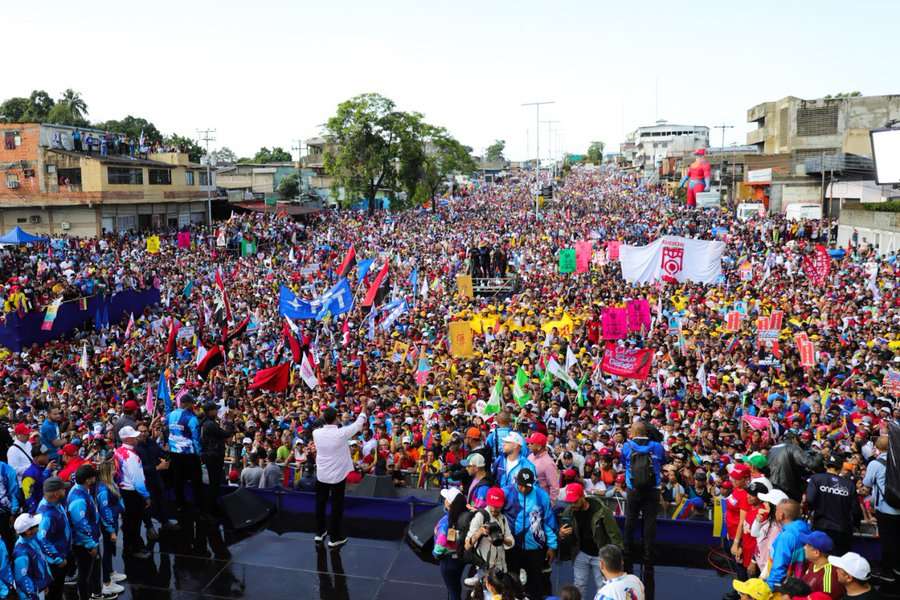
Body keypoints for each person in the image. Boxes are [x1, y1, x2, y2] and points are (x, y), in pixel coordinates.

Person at [312, 405, 368, 548]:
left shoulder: (316, 433)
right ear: (336, 418)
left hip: (322, 475)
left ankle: (319, 533)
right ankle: (335, 537)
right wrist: (364, 405)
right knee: (337, 506)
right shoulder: (341, 433)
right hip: (337, 476)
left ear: (323, 418)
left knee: (320, 504)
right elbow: (359, 423)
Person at [558, 482, 623, 600]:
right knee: (579, 587)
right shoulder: (569, 512)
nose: (573, 504)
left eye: (575, 501)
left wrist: (616, 555)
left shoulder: (601, 510)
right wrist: (561, 534)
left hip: (600, 554)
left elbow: (614, 534)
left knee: (603, 587)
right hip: (580, 553)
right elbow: (567, 538)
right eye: (570, 502)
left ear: (583, 497)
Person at [620, 421, 665, 577]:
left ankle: (627, 552)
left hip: (633, 488)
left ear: (634, 432)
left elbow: (622, 462)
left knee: (630, 519)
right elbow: (663, 461)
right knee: (649, 522)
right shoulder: (657, 446)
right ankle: (648, 556)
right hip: (653, 489)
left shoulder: (627, 446)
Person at [503, 468, 557, 600]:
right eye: (520, 485)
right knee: (511, 582)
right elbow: (493, 511)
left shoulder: (541, 495)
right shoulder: (507, 492)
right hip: (512, 547)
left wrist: (552, 545)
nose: (522, 489)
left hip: (535, 549)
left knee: (535, 584)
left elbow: (548, 522)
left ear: (532, 484)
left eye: (526, 486)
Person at [862, 435, 899, 582]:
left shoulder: (875, 464)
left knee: (887, 541)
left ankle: (887, 571)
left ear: (877, 448)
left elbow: (867, 482)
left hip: (885, 509)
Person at [806, 454, 857, 555]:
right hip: (842, 529)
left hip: (821, 526)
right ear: (840, 468)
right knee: (838, 562)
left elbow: (810, 500)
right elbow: (855, 510)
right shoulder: (849, 484)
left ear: (826, 466)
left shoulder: (816, 479)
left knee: (821, 559)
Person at [464, 487, 514, 587]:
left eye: (497, 506)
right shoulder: (480, 516)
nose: (494, 509)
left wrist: (502, 539)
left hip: (501, 568)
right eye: (492, 505)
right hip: (484, 569)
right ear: (487, 502)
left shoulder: (502, 518)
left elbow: (511, 542)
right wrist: (480, 532)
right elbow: (466, 546)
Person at [67, 464, 103, 600]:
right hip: (83, 544)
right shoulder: (79, 499)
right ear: (88, 480)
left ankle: (96, 593)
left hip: (89, 540)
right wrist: (90, 544)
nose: (95, 478)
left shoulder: (82, 490)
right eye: (93, 476)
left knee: (91, 570)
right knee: (84, 575)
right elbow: (81, 524)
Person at [114, 425, 151, 559]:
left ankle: (130, 546)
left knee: (128, 521)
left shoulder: (119, 450)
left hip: (124, 490)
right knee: (134, 522)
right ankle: (134, 548)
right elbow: (138, 480)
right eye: (134, 436)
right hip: (132, 492)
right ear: (128, 439)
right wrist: (146, 496)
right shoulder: (130, 456)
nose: (137, 438)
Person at [165, 394, 204, 514]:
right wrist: (199, 454)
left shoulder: (170, 415)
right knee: (196, 480)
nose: (193, 406)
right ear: (186, 404)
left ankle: (179, 505)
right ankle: (198, 505)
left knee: (178, 480)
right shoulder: (192, 418)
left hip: (174, 453)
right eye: (192, 403)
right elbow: (196, 438)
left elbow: (166, 426)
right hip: (189, 454)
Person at [36, 477, 71, 600]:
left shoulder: (56, 503)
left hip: (62, 555)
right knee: (54, 593)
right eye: (63, 489)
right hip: (55, 563)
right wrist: (57, 559)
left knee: (58, 591)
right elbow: (41, 539)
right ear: (56, 494)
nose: (65, 491)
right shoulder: (47, 515)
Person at [766, 499, 811, 590]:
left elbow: (779, 566)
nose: (775, 513)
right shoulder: (806, 528)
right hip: (799, 583)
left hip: (786, 586)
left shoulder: (786, 537)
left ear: (781, 515)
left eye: (776, 510)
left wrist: (770, 587)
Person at [96, 461, 126, 595]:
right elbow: (105, 510)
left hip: (114, 521)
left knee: (110, 548)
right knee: (107, 551)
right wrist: (111, 530)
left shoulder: (111, 483)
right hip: (109, 524)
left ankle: (111, 572)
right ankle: (106, 583)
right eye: (113, 469)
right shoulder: (103, 489)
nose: (115, 471)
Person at [434, 488, 468, 600]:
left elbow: (439, 548)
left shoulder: (446, 523)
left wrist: (436, 554)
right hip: (461, 559)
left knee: (453, 591)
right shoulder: (466, 517)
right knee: (455, 587)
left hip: (448, 562)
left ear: (449, 503)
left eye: (446, 498)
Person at [767, 432, 820, 502]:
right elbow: (811, 463)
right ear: (794, 439)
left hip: (773, 485)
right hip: (788, 488)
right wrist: (820, 454)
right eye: (798, 441)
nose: (799, 444)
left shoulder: (772, 449)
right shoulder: (793, 447)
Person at [200, 401, 233, 513]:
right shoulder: (210, 424)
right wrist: (230, 422)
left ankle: (211, 506)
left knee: (215, 482)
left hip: (212, 456)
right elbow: (226, 434)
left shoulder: (207, 422)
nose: (217, 411)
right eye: (215, 409)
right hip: (213, 457)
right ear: (210, 411)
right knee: (214, 483)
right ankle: (211, 508)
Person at [12, 513, 51, 600]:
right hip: (32, 595)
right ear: (28, 531)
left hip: (38, 589)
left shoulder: (32, 540)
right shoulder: (21, 553)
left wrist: (43, 584)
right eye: (36, 525)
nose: (38, 527)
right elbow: (22, 579)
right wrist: (33, 595)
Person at [798, 531, 844, 600]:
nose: (804, 547)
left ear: (816, 553)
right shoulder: (813, 564)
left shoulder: (828, 577)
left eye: (808, 545)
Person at [526, 432, 560, 506]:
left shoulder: (548, 463)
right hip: (528, 498)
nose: (529, 445)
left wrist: (551, 504)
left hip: (541, 502)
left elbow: (554, 487)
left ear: (539, 446)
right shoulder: (530, 456)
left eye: (532, 443)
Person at [21, 446, 53, 514]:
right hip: (39, 511)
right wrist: (35, 513)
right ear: (36, 458)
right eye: (44, 455)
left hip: (49, 506)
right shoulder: (29, 474)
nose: (47, 456)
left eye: (47, 454)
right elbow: (29, 497)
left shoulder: (46, 467)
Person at [0, 459, 20, 553]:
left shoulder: (5, 469)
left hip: (4, 514)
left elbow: (14, 491)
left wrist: (13, 512)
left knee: (7, 544)